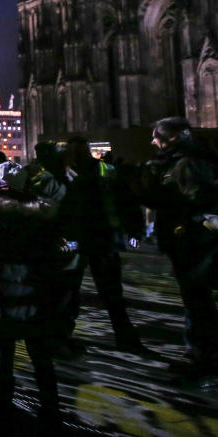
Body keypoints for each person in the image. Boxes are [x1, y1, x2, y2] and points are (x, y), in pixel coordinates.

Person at [0, 162, 74, 431]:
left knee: (2, 360)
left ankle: (0, 414)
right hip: (36, 299)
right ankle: (51, 412)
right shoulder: (42, 212)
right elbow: (54, 259)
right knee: (42, 360)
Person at [142, 116, 218, 382]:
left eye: (157, 135)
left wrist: (154, 193)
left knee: (198, 303)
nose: (153, 140)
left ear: (172, 138)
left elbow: (194, 202)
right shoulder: (188, 158)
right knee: (197, 302)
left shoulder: (187, 162)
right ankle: (201, 355)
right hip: (190, 242)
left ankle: (205, 361)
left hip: (194, 244)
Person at [59, 136, 145, 354]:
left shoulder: (65, 173)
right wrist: (134, 228)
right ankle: (124, 338)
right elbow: (126, 200)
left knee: (74, 293)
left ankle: (63, 339)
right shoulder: (100, 170)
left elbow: (124, 200)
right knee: (91, 293)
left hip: (89, 238)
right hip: (95, 237)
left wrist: (134, 228)